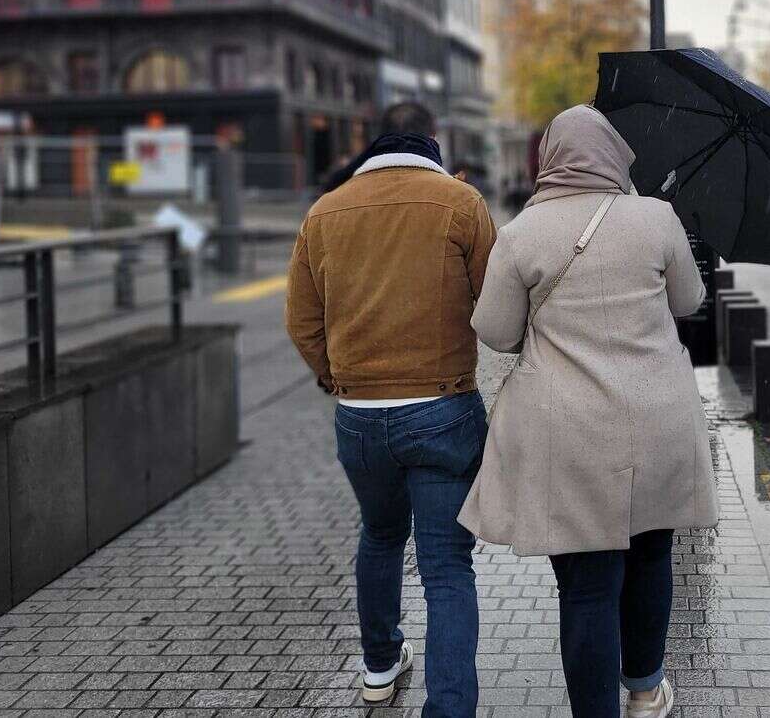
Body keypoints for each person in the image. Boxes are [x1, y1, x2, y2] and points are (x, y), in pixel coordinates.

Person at [460, 105, 720, 718]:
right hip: (658, 417)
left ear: (550, 157)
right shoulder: (657, 217)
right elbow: (690, 300)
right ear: (614, 154)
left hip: (566, 429)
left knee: (587, 585)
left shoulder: (523, 231)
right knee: (653, 554)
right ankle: (646, 691)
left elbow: (495, 332)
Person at [285, 101, 495, 716]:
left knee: (379, 536)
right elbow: (496, 302)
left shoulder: (324, 213)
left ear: (373, 145)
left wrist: (335, 377)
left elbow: (301, 320)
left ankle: (379, 665)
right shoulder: (461, 204)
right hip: (444, 409)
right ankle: (450, 708)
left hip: (360, 416)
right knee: (446, 566)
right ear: (433, 140)